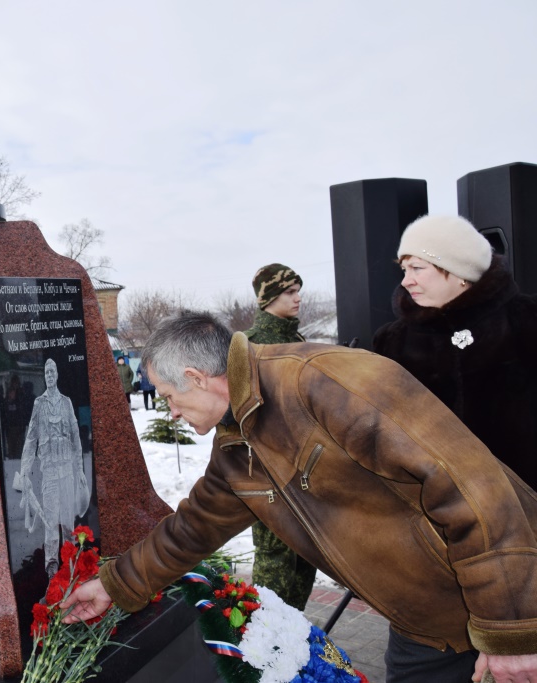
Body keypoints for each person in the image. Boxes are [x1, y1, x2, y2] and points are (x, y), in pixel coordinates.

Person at [62, 311, 537, 683]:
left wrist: (512, 631)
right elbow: (191, 530)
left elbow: (474, 492)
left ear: (198, 377)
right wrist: (111, 586)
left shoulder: (328, 382)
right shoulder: (236, 444)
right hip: (424, 624)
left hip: (503, 599)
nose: (171, 410)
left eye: (168, 395)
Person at [374, 214, 537, 491]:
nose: (406, 281)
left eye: (416, 268)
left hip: (525, 505)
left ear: (459, 271)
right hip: (441, 512)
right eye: (404, 270)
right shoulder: (393, 341)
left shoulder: (525, 320)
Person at [243, 264, 316, 611]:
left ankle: (294, 638)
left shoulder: (301, 342)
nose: (297, 298)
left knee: (306, 559)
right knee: (274, 562)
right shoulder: (250, 347)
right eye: (289, 292)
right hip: (271, 470)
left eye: (298, 290)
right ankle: (264, 646)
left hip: (308, 469)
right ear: (268, 296)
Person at [18, 358, 91, 576]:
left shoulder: (66, 403)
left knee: (68, 524)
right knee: (50, 526)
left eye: (52, 372)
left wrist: (79, 471)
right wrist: (24, 470)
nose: (49, 376)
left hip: (67, 472)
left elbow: (76, 438)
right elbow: (31, 439)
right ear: (44, 377)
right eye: (46, 373)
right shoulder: (39, 404)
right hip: (49, 474)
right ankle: (51, 572)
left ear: (57, 375)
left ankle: (70, 570)